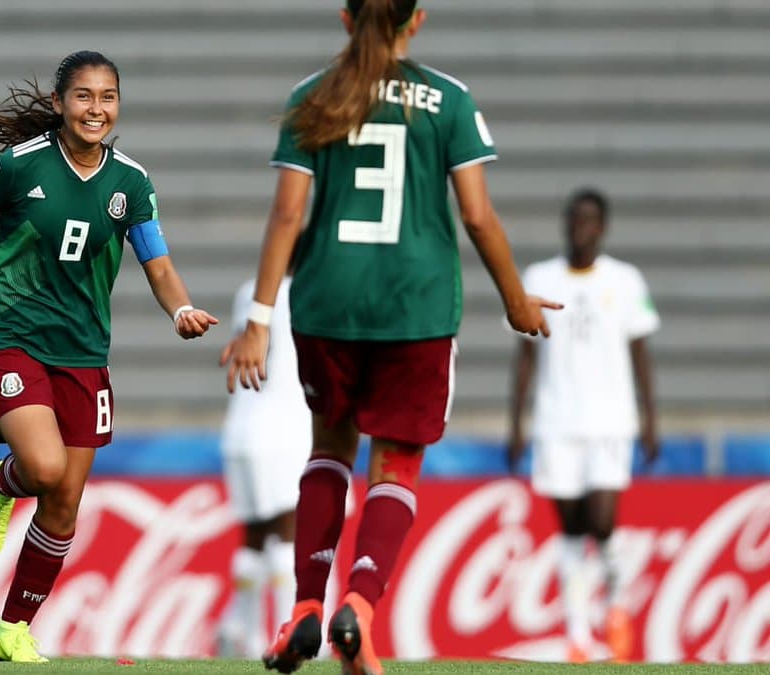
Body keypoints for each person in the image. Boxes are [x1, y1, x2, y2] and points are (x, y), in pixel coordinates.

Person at [220, 1, 561, 673]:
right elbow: (478, 215)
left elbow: (288, 214)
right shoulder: (449, 100)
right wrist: (515, 298)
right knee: (396, 465)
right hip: (417, 308)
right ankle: (359, 607)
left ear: (346, 19)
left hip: (328, 302)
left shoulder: (313, 96)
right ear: (417, 20)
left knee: (329, 449)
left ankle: (306, 607)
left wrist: (257, 318)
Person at [0, 50, 218, 663]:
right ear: (59, 103)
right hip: (9, 334)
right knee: (43, 468)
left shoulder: (131, 182)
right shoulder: (20, 166)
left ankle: (12, 629)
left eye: (107, 97)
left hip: (84, 349)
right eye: (83, 96)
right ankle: (2, 483)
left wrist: (180, 309)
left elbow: (158, 263)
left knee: (65, 502)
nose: (96, 109)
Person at [507, 188, 659, 664]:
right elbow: (525, 357)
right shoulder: (539, 278)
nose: (581, 227)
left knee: (603, 521)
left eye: (590, 220)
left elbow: (640, 353)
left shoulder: (625, 280)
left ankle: (615, 606)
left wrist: (651, 420)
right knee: (572, 530)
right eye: (574, 218)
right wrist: (517, 423)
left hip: (611, 421)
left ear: (603, 227)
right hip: (556, 422)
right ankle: (578, 636)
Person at [216, 275, 312, 659]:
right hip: (286, 428)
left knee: (254, 536)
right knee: (290, 533)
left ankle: (243, 631)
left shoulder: (249, 290)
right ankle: (291, 632)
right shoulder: (308, 290)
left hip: (241, 428)